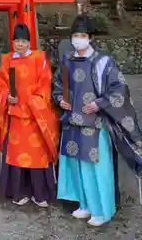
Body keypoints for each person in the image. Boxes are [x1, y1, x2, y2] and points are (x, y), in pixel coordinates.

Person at [52, 14, 142, 226]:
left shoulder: (103, 62)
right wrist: (59, 99)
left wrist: (99, 104)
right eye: (75, 35)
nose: (79, 39)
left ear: (90, 38)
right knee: (76, 167)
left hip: (94, 124)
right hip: (71, 122)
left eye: (83, 35)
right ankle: (84, 205)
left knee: (96, 168)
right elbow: (57, 85)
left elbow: (120, 88)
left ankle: (102, 210)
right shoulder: (67, 60)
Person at [0, 23, 59, 208]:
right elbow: (0, 83)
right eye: (17, 41)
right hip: (15, 117)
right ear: (12, 42)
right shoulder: (7, 60)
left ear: (29, 42)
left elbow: (45, 84)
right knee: (16, 156)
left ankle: (40, 193)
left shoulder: (40, 59)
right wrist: (6, 96)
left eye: (24, 41)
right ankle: (17, 192)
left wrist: (32, 101)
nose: (20, 45)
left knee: (37, 155)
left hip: (35, 116)